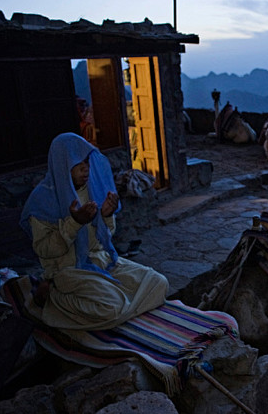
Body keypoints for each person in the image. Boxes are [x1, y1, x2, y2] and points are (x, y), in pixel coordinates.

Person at [20, 132, 168, 330]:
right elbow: (44, 250)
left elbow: (104, 237)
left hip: (101, 261)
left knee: (159, 284)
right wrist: (74, 223)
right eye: (78, 163)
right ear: (62, 164)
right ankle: (54, 296)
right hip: (69, 270)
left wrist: (106, 215)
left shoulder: (90, 189)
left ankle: (122, 306)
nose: (85, 169)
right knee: (112, 308)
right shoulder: (42, 201)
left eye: (87, 162)